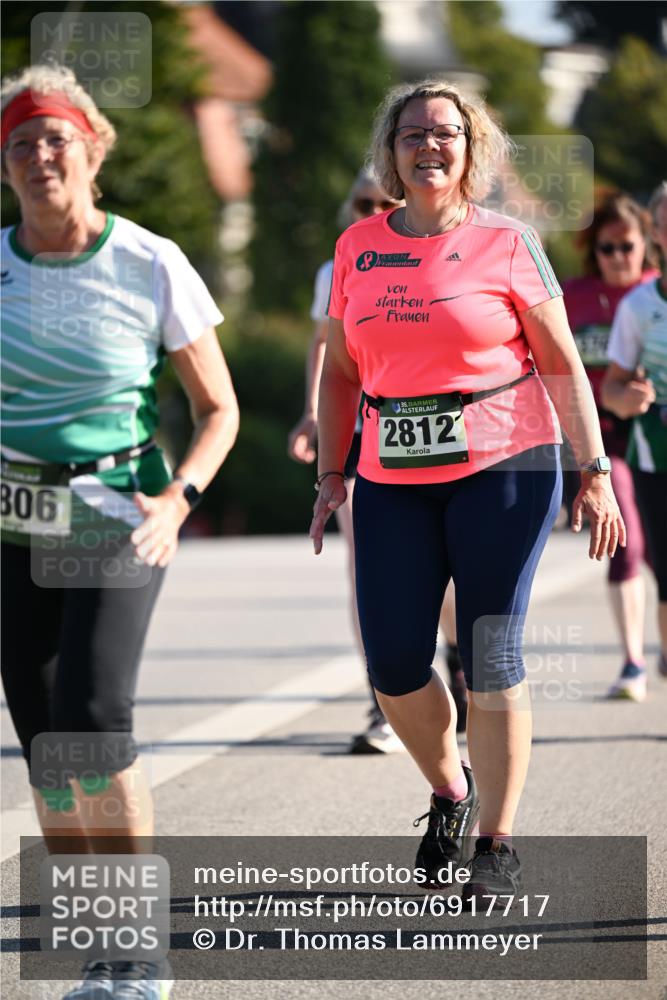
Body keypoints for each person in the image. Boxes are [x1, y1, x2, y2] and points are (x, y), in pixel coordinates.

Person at [310, 79, 624, 904]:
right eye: (411, 134)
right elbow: (340, 370)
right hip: (389, 476)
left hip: (504, 465)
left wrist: (593, 473)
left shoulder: (508, 243)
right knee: (393, 663)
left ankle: (496, 841)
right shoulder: (358, 250)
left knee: (490, 654)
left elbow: (560, 362)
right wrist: (331, 472)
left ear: (469, 147)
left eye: (444, 133)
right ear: (391, 151)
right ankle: (450, 791)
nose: (428, 146)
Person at [0, 65, 239, 1000]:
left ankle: (137, 953)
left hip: (114, 515)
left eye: (56, 138)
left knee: (95, 721)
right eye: (21, 142)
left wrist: (179, 500)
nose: (39, 156)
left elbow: (216, 408)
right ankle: (95, 936)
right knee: (47, 746)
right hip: (15, 521)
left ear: (92, 150)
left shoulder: (147, 260)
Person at [289, 171, 467, 751]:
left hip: (439, 428)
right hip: (368, 431)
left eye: (380, 202)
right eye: (360, 202)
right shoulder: (342, 262)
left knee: (444, 575)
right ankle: (383, 701)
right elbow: (326, 348)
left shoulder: (446, 250)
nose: (368, 210)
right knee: (367, 570)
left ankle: (458, 666)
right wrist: (315, 416)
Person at [563, 194, 659, 700]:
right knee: (626, 538)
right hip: (600, 436)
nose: (619, 257)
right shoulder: (571, 297)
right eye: (607, 248)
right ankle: (633, 661)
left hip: (655, 431)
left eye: (628, 246)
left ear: (647, 245)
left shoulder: (655, 295)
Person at [602, 181, 667, 689]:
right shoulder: (640, 307)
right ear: (657, 232)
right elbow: (612, 387)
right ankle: (651, 660)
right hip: (651, 454)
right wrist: (627, 399)